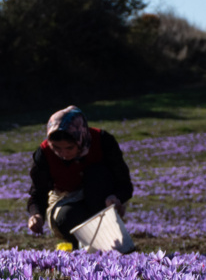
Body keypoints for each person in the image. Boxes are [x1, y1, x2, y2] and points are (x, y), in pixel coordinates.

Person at [26, 106, 134, 249]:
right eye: (56, 148)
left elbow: (125, 184)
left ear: (80, 139)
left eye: (69, 148)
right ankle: (82, 250)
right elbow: (38, 192)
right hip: (65, 197)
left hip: (101, 195)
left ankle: (113, 245)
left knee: (96, 173)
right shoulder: (44, 154)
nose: (63, 154)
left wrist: (116, 197)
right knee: (67, 217)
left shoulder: (102, 141)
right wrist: (36, 215)